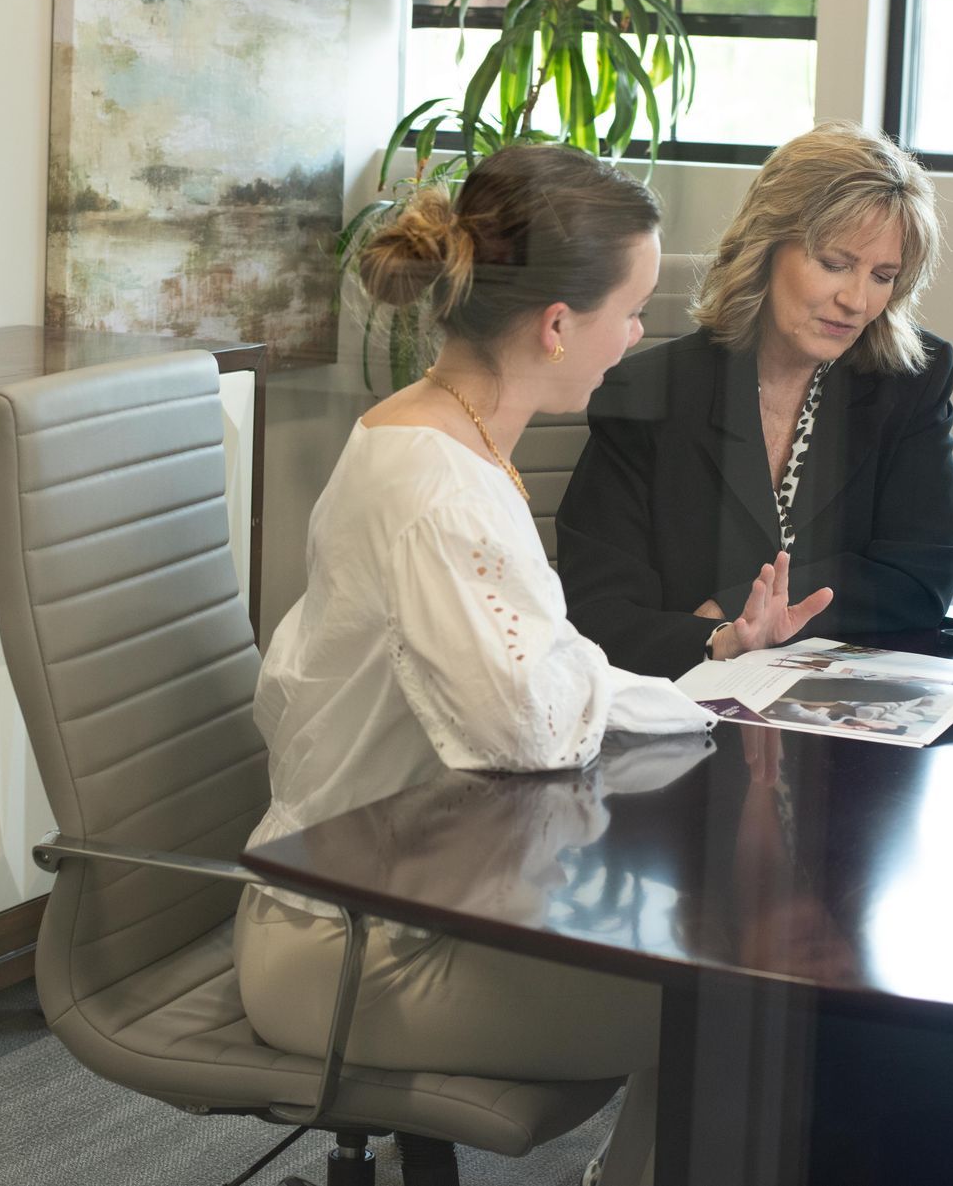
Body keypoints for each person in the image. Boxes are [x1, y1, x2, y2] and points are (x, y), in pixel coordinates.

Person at [234, 143, 742, 1186]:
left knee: (717, 977)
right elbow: (530, 732)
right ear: (559, 327)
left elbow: (561, 678)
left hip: (410, 890)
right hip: (349, 948)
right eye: (633, 311)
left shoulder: (446, 438)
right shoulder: (443, 493)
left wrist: (699, 705)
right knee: (733, 1008)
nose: (638, 336)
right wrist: (648, 699)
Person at [556, 121, 953, 679]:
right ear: (767, 246)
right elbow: (598, 617)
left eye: (883, 275)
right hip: (682, 710)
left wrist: (731, 605)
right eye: (835, 263)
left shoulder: (907, 379)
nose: (856, 300)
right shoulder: (646, 393)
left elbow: (921, 578)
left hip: (845, 716)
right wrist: (719, 641)